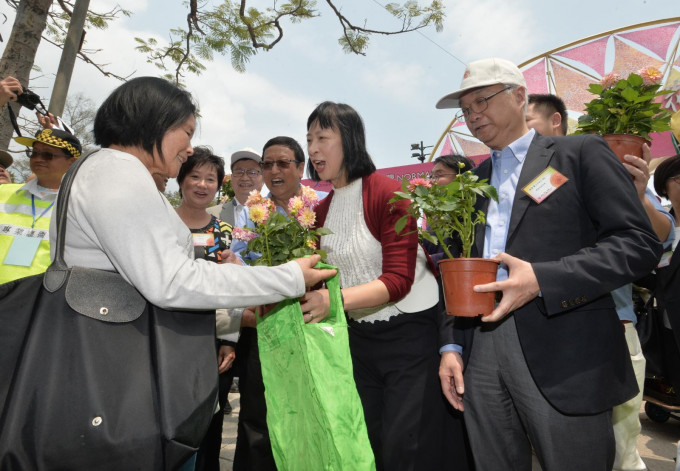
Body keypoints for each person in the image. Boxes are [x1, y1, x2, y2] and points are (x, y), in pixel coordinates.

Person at [52, 76, 336, 466]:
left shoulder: (107, 171)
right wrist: (288, 277)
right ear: (152, 123)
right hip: (110, 363)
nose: (188, 148)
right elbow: (173, 281)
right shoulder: (116, 171)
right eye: (184, 133)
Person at [435, 58, 662, 470]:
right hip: (480, 351)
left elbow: (638, 243)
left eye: (482, 101)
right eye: (465, 109)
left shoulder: (579, 153)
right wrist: (451, 346)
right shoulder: (472, 183)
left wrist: (543, 279)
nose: (473, 115)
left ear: (520, 96)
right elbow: (456, 267)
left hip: (565, 350)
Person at [303, 101, 471, 471]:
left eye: (323, 137)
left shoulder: (387, 193)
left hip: (410, 338)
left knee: (407, 448)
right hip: (358, 342)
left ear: (349, 140)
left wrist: (331, 301)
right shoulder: (319, 211)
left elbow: (398, 280)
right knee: (372, 443)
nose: (313, 148)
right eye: (309, 139)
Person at [526, 93, 673, 471]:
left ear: (556, 122)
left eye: (529, 124)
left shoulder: (587, 161)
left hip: (611, 326)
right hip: (541, 333)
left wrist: (635, 197)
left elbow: (658, 237)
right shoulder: (538, 183)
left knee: (620, 448)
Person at [232, 135, 326, 471]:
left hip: (316, 324)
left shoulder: (322, 205)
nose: (273, 170)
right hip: (267, 324)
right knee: (259, 415)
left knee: (313, 412)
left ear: (301, 167)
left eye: (283, 163)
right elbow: (240, 263)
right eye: (267, 164)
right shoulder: (250, 212)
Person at [174, 146, 238, 471]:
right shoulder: (160, 223)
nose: (202, 184)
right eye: (194, 176)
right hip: (160, 333)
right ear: (181, 179)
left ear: (218, 185)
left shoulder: (226, 234)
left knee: (208, 421)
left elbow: (231, 289)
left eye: (210, 178)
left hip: (209, 339)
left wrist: (229, 339)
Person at [0, 128, 81, 284]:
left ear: (72, 162)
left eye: (48, 155)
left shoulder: (80, 206)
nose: (38, 159)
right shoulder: (3, 192)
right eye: (34, 153)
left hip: (41, 300)